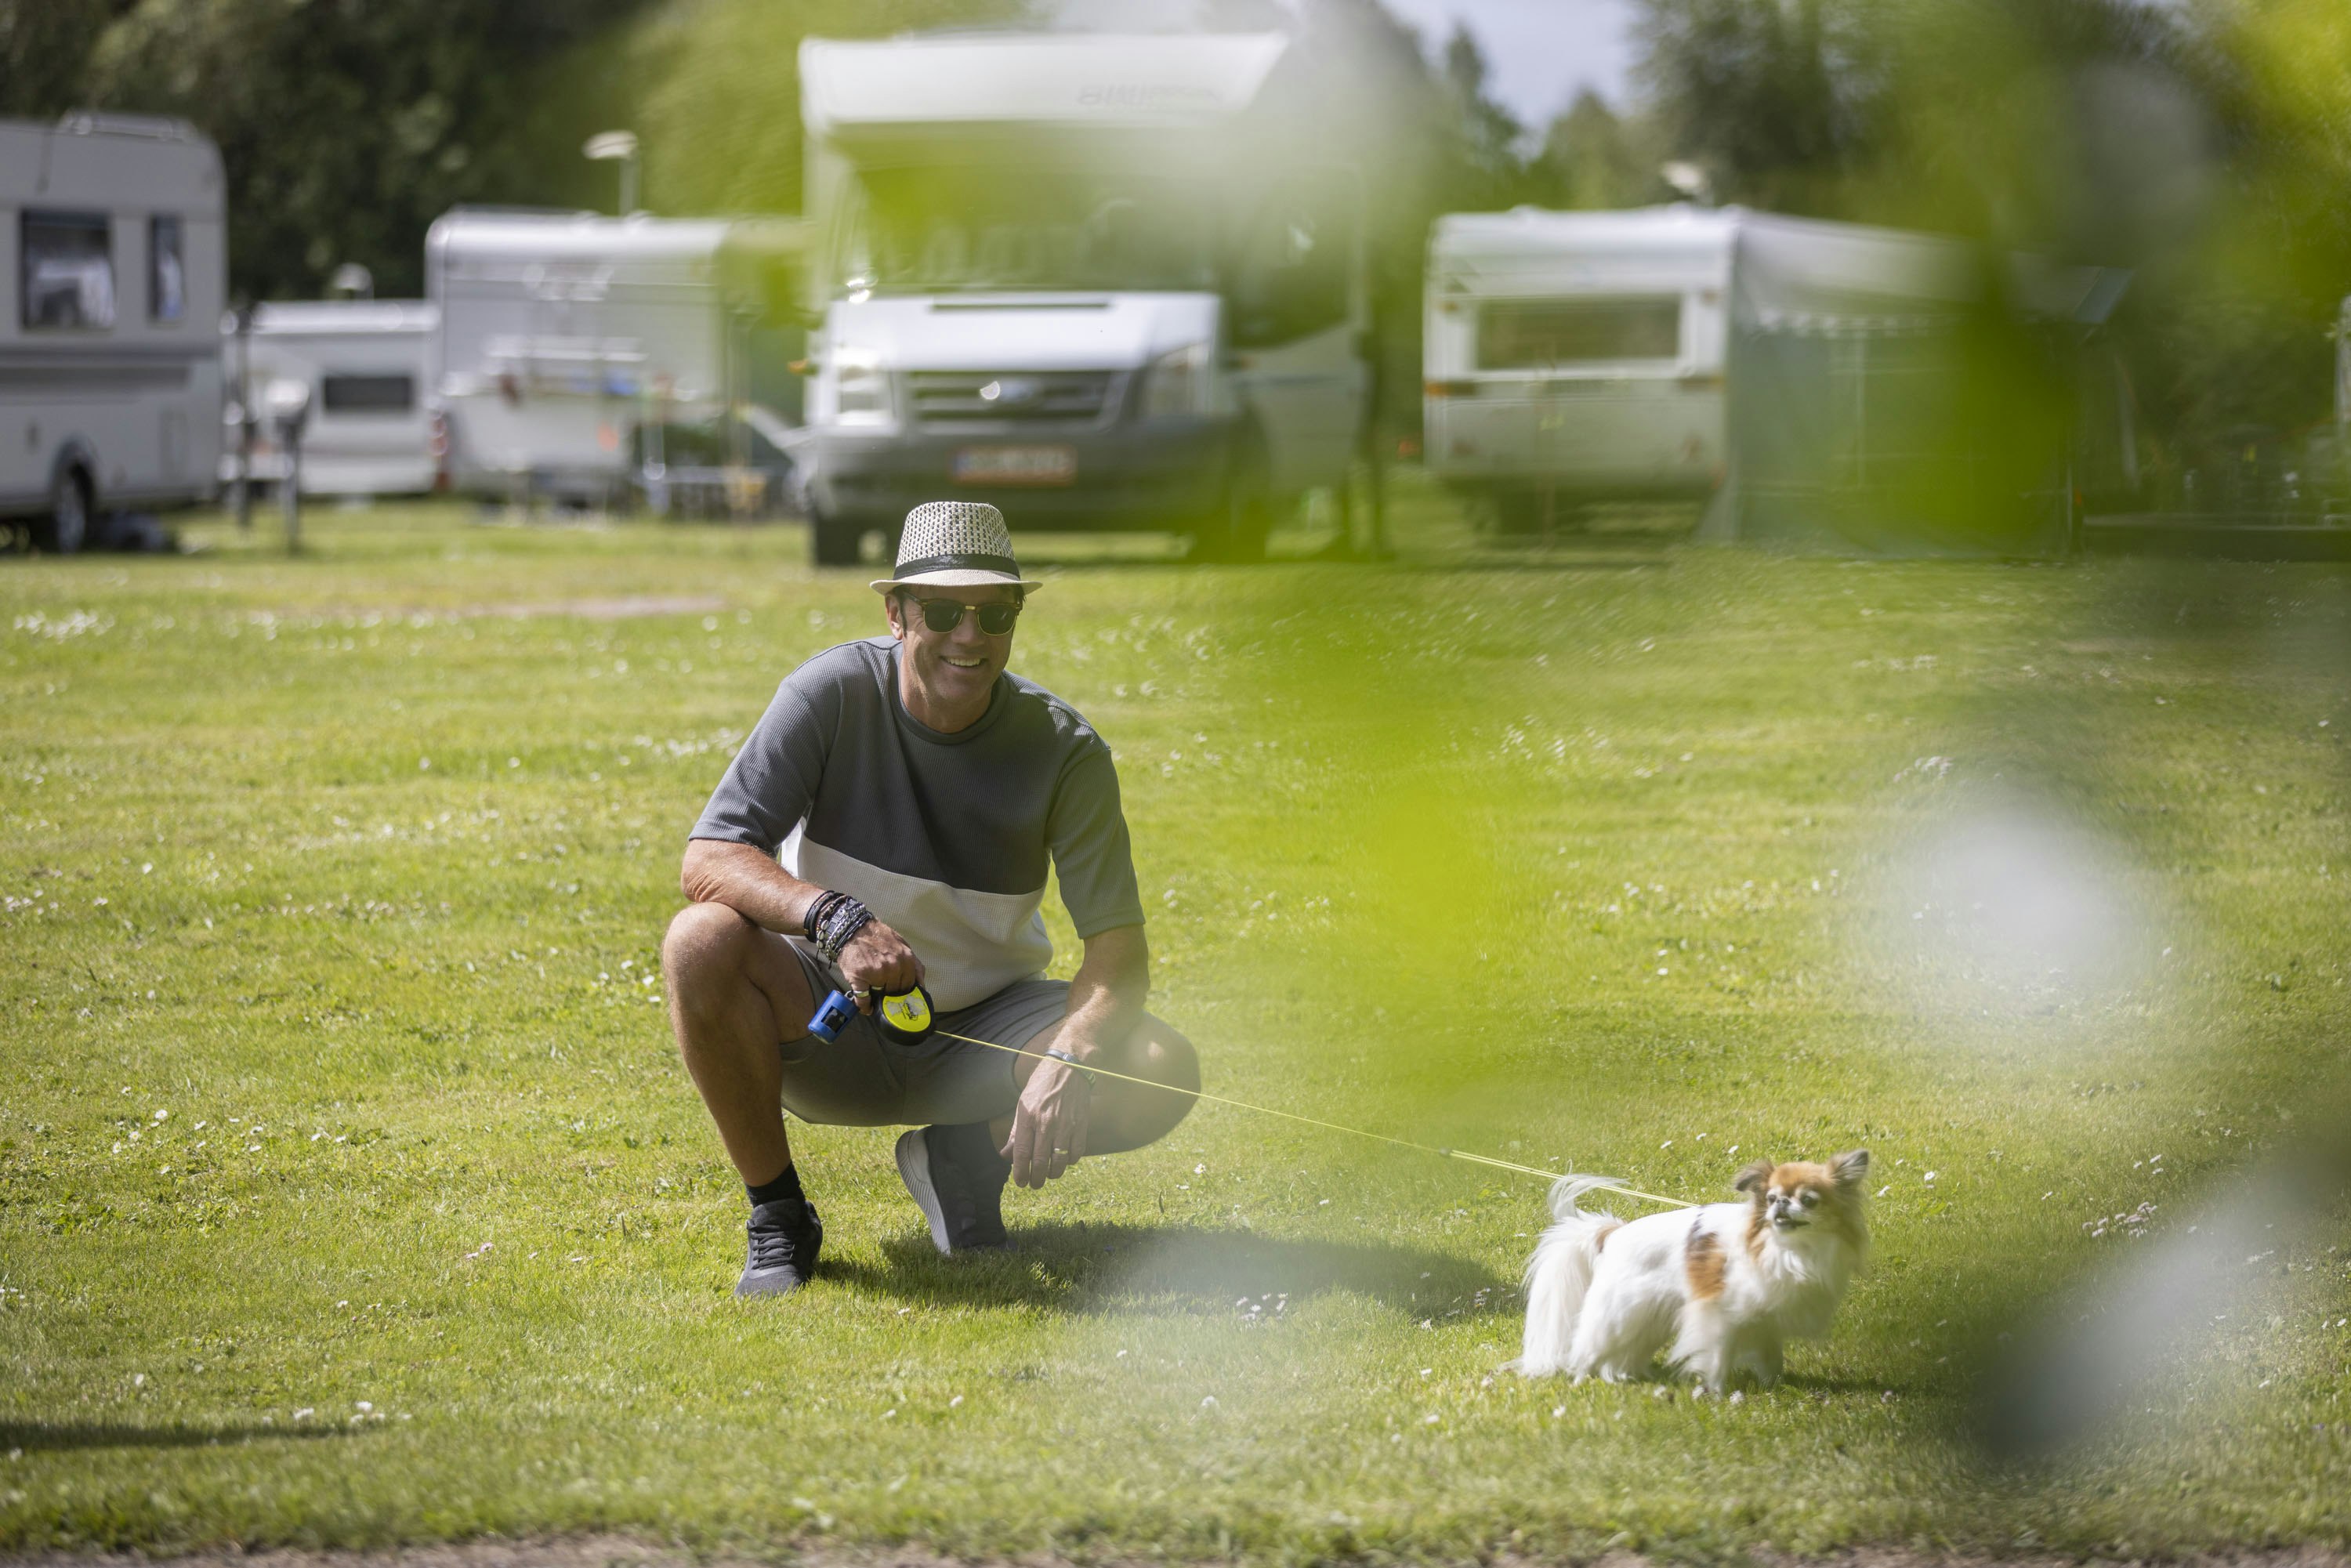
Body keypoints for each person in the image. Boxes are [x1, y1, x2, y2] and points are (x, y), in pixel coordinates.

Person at [662, 501, 1201, 1295]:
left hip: (988, 1032)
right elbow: (711, 856)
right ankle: (778, 1213)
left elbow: (1118, 955)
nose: (969, 635)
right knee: (697, 941)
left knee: (1161, 1067)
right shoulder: (828, 693)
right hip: (827, 1022)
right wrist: (834, 919)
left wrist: (1069, 1053)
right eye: (944, 610)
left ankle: (960, 1163)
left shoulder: (1066, 750)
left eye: (995, 612)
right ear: (896, 613)